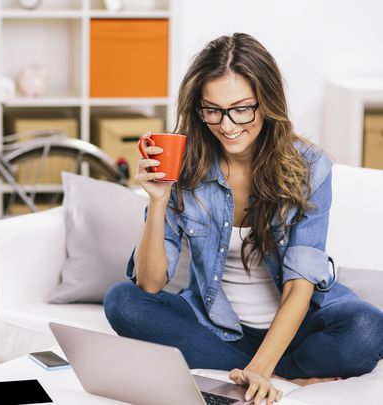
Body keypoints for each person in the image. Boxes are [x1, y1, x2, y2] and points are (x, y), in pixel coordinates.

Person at [103, 33, 383, 405]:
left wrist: (261, 369)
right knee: (122, 302)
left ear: (266, 103)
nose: (227, 124)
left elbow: (300, 285)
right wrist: (157, 201)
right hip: (216, 328)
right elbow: (151, 283)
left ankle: (255, 371)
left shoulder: (311, 166)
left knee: (366, 328)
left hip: (297, 326)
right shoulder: (184, 165)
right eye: (213, 110)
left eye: (241, 108)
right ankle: (292, 375)